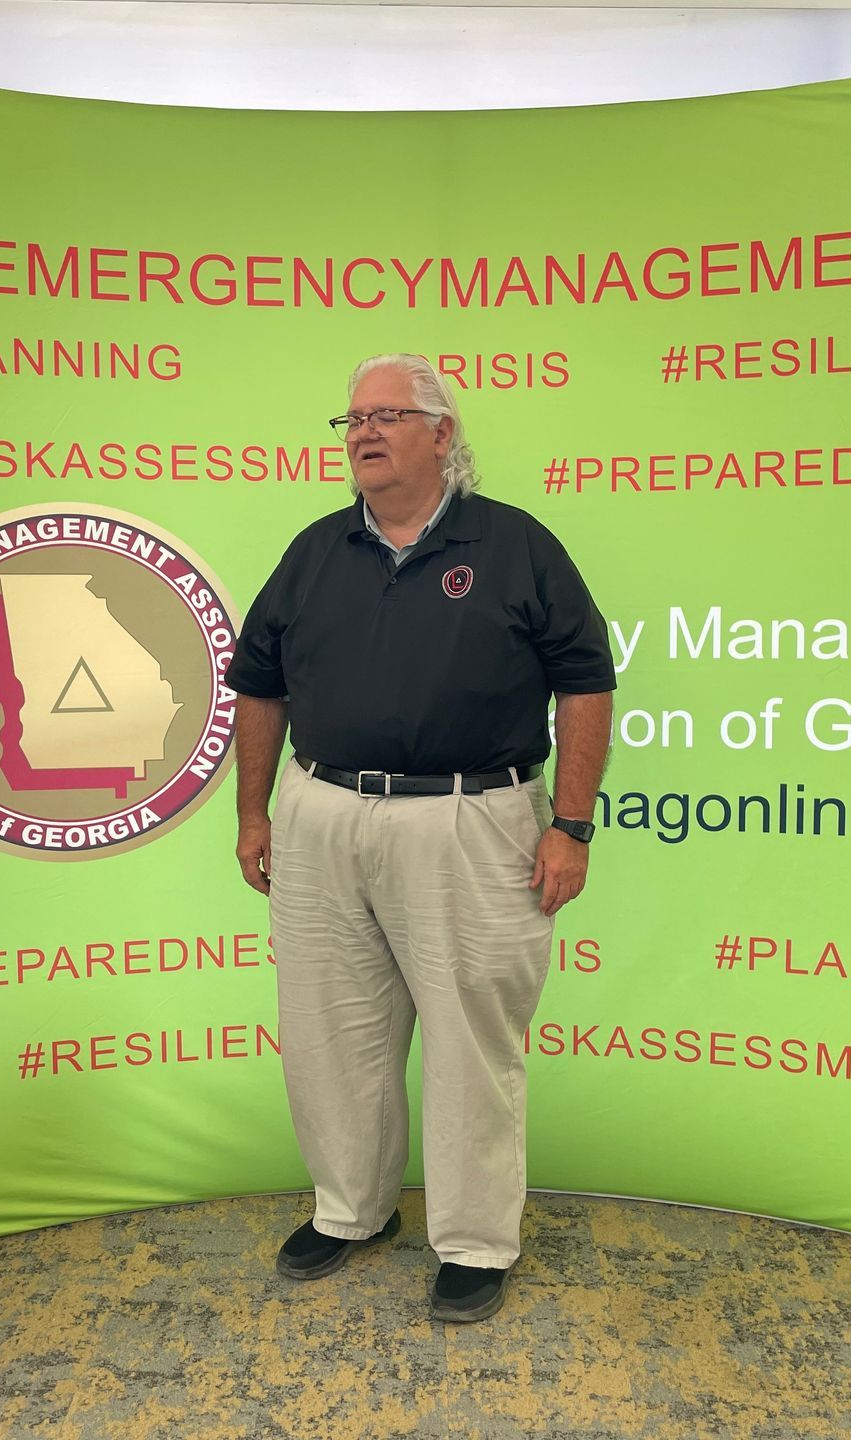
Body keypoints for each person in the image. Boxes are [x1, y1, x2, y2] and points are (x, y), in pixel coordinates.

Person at [227, 353, 615, 1323]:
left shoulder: (517, 544)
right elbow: (259, 684)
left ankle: (477, 1239)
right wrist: (253, 810)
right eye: (351, 419)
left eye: (388, 415)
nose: (362, 432)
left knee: (471, 1038)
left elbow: (587, 682)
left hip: (471, 817)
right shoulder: (315, 551)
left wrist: (570, 825)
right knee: (331, 1029)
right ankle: (352, 1210)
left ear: (443, 434)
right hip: (323, 814)